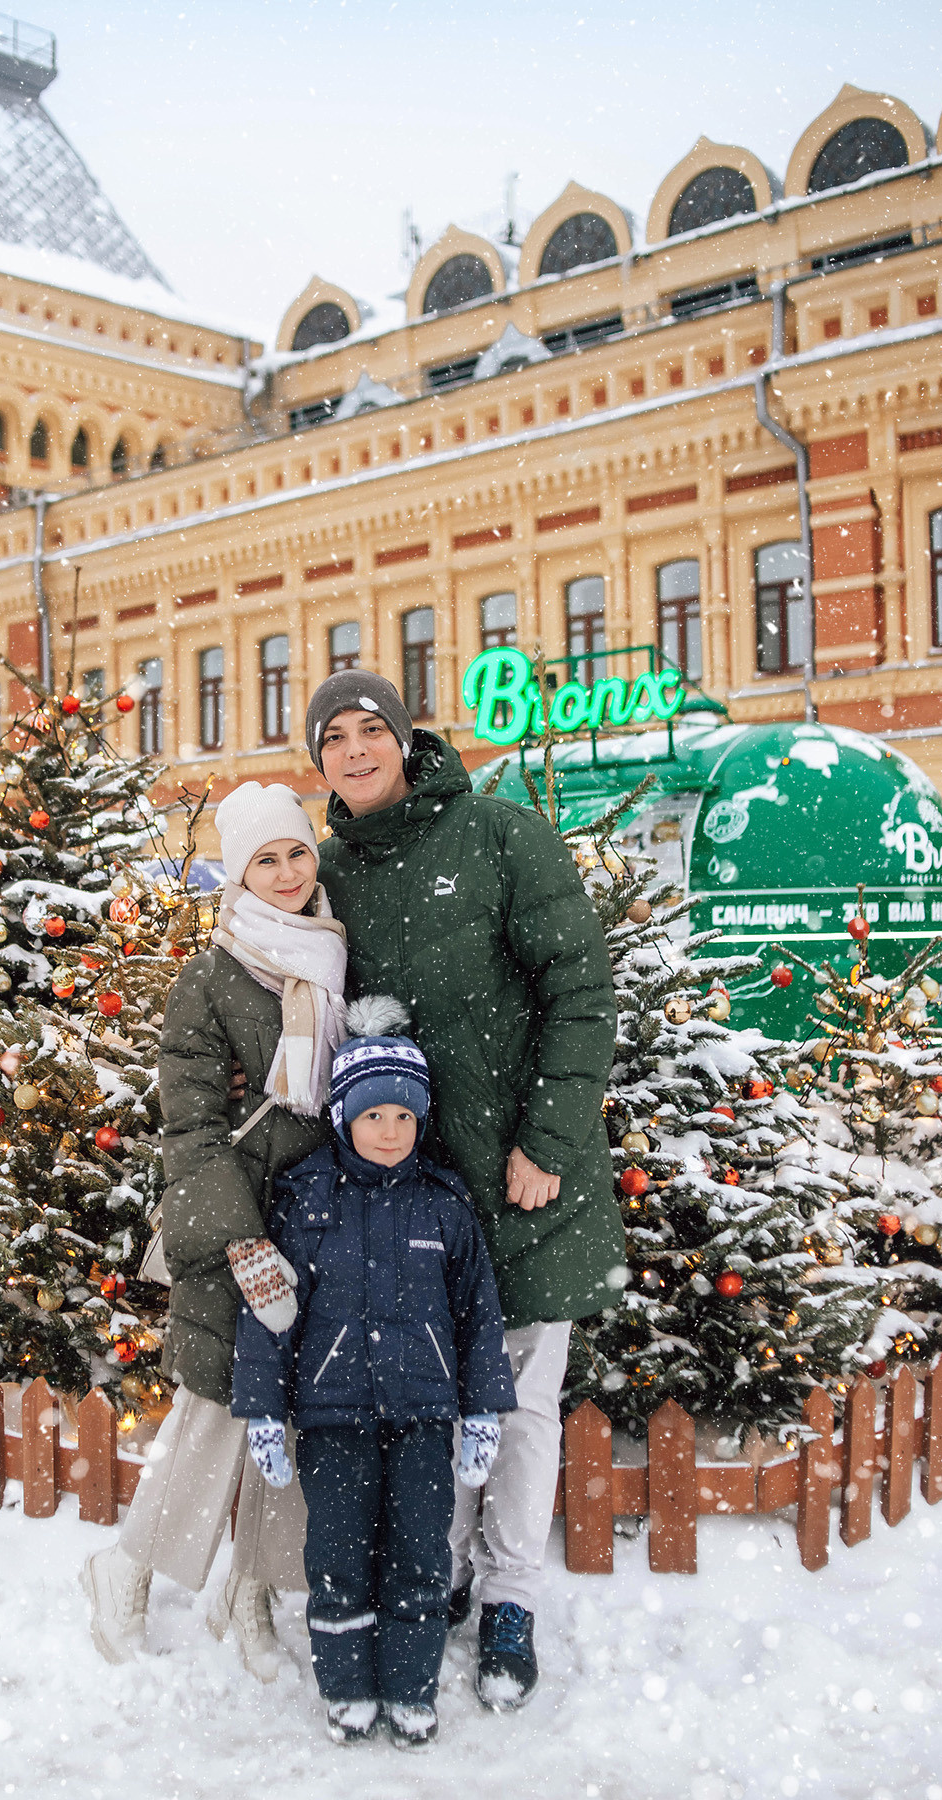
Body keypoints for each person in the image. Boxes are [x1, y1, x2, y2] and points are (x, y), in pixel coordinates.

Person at [303, 669, 622, 1713]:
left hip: (525, 1184)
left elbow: (578, 987)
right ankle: (435, 1577)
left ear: (405, 737)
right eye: (332, 739)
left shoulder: (498, 834)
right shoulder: (330, 875)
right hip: (411, 1201)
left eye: (370, 731)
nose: (354, 752)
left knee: (523, 1408)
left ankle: (513, 1600)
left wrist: (549, 1140)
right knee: (428, 1403)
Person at [80, 781, 346, 1677]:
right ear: (237, 873)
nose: (284, 873)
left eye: (295, 853)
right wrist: (240, 1240)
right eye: (263, 860)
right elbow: (190, 1123)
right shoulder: (213, 972)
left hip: (318, 1221)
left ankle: (254, 1590)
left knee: (300, 1414)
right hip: (238, 1220)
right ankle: (126, 1568)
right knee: (219, 1408)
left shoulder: (334, 953)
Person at [232, 1005, 516, 1748]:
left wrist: (483, 1409)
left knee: (422, 1554)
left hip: (424, 1417)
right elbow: (268, 1312)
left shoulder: (445, 1205)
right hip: (333, 1419)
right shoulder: (305, 1200)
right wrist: (264, 1409)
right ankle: (348, 1687)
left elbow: (477, 1315)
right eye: (372, 1115)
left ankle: (411, 1687)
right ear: (342, 1118)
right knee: (337, 1556)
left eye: (402, 1115)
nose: (389, 1132)